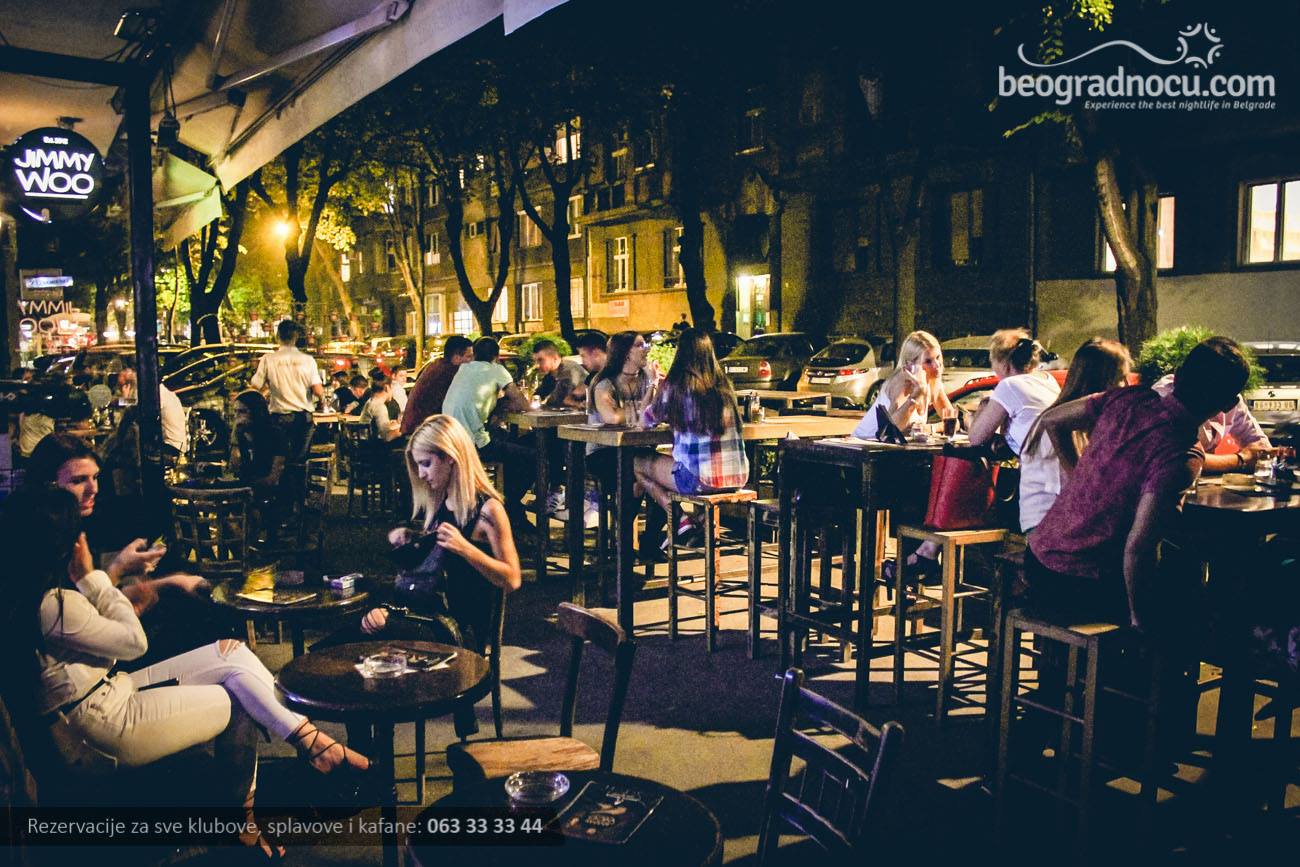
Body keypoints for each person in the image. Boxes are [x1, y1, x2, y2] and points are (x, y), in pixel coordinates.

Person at [0, 486, 369, 859]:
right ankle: (243, 822)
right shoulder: (53, 604)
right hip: (99, 726)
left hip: (103, 695)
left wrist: (115, 597)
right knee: (239, 698)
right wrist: (91, 577)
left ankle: (314, 745)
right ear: (62, 543)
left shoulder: (30, 594)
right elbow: (134, 643)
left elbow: (98, 635)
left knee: (231, 654)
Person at [315, 415, 520, 738]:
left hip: (455, 630)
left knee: (361, 645)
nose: (422, 474)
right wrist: (413, 539)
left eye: (426, 464)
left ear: (451, 458)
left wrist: (467, 549)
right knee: (340, 654)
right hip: (425, 615)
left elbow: (512, 578)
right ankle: (367, 749)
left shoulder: (488, 510)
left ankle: (369, 752)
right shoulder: (441, 503)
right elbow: (437, 565)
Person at [1027, 336, 1250, 631]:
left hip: (1037, 558)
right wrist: (1139, 621)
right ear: (1228, 404)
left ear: (1177, 376)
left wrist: (1076, 472)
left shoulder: (1127, 400)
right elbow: (1139, 548)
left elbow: (1053, 419)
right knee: (1191, 601)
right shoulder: (1181, 454)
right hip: (1079, 580)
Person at [25, 433, 223, 666]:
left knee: (193, 607)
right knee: (200, 627)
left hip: (93, 638)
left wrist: (168, 582)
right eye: (78, 481)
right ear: (48, 486)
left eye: (95, 477)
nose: (93, 488)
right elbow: (69, 613)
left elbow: (86, 598)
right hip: (83, 667)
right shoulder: (43, 537)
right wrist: (118, 569)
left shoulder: (75, 527)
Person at [889, 330, 1060, 580]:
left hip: (1039, 496)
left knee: (940, 491)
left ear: (1003, 363)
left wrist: (981, 410)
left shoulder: (1010, 385)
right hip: (1058, 487)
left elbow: (976, 437)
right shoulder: (1047, 381)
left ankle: (927, 555)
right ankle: (929, 551)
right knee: (972, 486)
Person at [635, 329, 748, 542]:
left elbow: (644, 422)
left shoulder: (676, 385)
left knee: (638, 463)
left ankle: (679, 518)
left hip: (700, 479)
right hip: (737, 478)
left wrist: (653, 383)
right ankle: (699, 522)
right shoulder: (725, 386)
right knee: (679, 463)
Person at [1019, 338, 1131, 535]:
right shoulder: (1059, 426)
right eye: (1121, 378)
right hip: (1048, 528)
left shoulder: (1086, 423)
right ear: (1101, 381)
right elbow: (1074, 491)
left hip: (1068, 522)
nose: (1126, 386)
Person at [442, 337, 532, 533]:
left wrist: (497, 405)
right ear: (496, 357)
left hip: (451, 438)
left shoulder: (464, 369)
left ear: (474, 355)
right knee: (532, 457)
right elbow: (522, 404)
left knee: (510, 444)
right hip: (473, 444)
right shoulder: (497, 370)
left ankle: (510, 507)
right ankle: (510, 504)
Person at [585, 332, 657, 534]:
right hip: (603, 453)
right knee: (639, 479)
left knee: (662, 476)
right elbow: (612, 417)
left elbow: (657, 413)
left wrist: (655, 386)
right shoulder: (604, 383)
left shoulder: (646, 379)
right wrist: (643, 411)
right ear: (625, 353)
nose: (647, 349)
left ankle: (650, 541)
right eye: (640, 345)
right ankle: (621, 541)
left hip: (636, 450)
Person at [1151, 371, 1272, 474]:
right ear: (1178, 376)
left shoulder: (1229, 397)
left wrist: (1261, 454)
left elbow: (1259, 446)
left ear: (1229, 404)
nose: (1198, 393)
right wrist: (1241, 460)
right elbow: (1174, 459)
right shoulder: (1163, 395)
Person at [853, 330, 954, 440]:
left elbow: (953, 422)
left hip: (888, 446)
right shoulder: (902, 382)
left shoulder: (933, 382)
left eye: (938, 357)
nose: (937, 365)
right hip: (864, 443)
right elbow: (891, 429)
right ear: (910, 365)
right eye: (928, 361)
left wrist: (930, 428)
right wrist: (916, 395)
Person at [249, 319, 324, 464]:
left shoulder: (268, 359)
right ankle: (298, 477)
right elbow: (317, 390)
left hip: (279, 418)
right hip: (303, 418)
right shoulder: (308, 360)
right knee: (300, 461)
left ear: (278, 336)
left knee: (279, 459)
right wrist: (322, 398)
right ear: (296, 337)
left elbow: (255, 385)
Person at [401, 335, 474, 437]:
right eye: (469, 357)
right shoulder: (449, 373)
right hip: (423, 433)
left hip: (417, 429)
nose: (472, 361)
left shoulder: (438, 365)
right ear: (457, 358)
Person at [232, 390, 288, 504]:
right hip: (249, 492)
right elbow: (234, 469)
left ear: (256, 412)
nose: (236, 416)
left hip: (277, 497)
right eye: (235, 411)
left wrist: (246, 486)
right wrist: (235, 439)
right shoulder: (242, 434)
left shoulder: (275, 434)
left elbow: (274, 479)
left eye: (242, 411)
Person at [532, 339, 587, 410]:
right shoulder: (551, 375)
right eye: (535, 361)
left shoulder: (568, 372)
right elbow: (539, 395)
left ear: (554, 358)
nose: (537, 365)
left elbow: (559, 401)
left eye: (540, 360)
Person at [359, 377, 402, 443]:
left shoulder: (369, 402)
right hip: (375, 446)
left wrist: (390, 424)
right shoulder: (379, 406)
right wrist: (403, 429)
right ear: (387, 388)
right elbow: (387, 437)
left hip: (364, 444)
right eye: (391, 388)